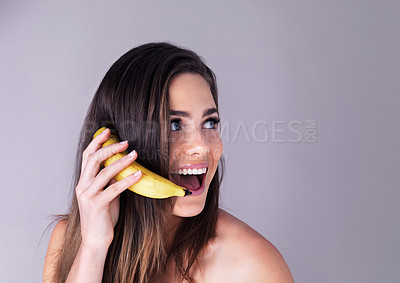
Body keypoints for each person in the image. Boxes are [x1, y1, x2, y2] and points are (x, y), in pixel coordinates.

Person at [43, 42, 294, 282]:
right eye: (174, 124)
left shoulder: (252, 265)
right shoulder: (72, 241)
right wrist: (94, 249)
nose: (202, 146)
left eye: (210, 122)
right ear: (119, 143)